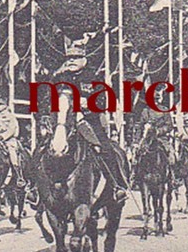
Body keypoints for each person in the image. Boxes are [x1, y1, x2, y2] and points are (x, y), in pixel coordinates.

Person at [49, 37, 129, 203]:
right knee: (43, 149)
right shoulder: (59, 78)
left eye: (75, 58)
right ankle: (33, 188)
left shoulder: (94, 77)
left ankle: (117, 186)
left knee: (106, 149)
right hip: (63, 122)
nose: (71, 61)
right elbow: (47, 99)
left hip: (89, 121)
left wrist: (88, 104)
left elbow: (102, 101)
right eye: (68, 58)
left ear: (83, 59)